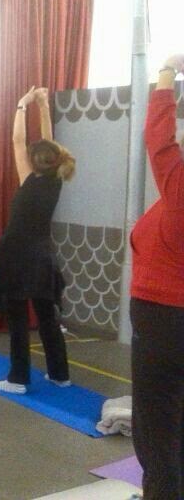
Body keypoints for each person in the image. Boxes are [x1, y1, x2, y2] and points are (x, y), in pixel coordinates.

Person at [0, 86, 75, 395]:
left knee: (17, 319)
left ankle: (18, 378)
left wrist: (22, 104)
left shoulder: (28, 178)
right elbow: (50, 143)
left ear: (36, 160)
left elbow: (17, 140)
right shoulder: (56, 179)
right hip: (42, 256)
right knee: (47, 315)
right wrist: (44, 105)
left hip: (18, 258)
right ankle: (59, 374)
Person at [130, 54, 184, 499]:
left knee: (157, 424)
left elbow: (159, 136)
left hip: (164, 316)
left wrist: (167, 72)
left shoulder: (181, 187)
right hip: (165, 314)